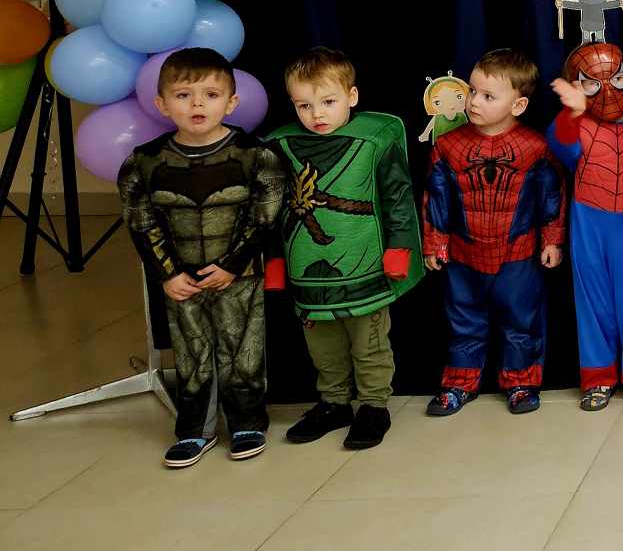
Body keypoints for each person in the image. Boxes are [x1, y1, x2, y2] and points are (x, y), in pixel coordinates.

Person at [117, 48, 287, 468]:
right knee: (191, 352)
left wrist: (232, 265)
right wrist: (167, 273)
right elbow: (141, 223)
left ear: (231, 102)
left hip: (239, 276)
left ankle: (247, 423)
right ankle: (195, 430)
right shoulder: (143, 162)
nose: (197, 104)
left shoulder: (257, 155)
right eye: (183, 95)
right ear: (162, 104)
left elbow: (265, 218)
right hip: (180, 279)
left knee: (243, 349)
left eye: (211, 95)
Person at [266, 48, 423, 451]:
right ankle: (334, 402)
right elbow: (272, 210)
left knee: (369, 343)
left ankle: (373, 405)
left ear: (352, 96)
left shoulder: (374, 139)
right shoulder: (280, 145)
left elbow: (397, 196)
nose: (316, 114)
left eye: (328, 101)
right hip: (306, 268)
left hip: (364, 263)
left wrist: (400, 247)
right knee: (322, 345)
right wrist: (275, 261)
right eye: (304, 105)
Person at [421, 48, 566, 416]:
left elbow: (551, 196)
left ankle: (521, 382)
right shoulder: (448, 146)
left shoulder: (536, 147)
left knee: (521, 321)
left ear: (518, 105)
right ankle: (459, 382)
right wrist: (434, 242)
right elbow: (436, 196)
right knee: (464, 321)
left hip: (518, 254)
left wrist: (552, 239)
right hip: (463, 255)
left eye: (488, 96)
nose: (474, 102)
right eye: (472, 91)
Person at [549, 41, 623, 413]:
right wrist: (572, 112)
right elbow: (561, 149)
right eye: (593, 82)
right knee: (592, 300)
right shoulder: (577, 124)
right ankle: (597, 376)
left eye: (616, 78)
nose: (608, 90)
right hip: (589, 220)